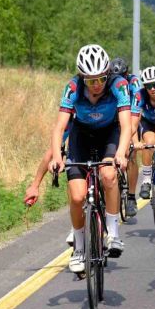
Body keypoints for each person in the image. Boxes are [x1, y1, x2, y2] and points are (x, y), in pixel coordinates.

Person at [48, 44, 131, 273]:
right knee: (77, 196)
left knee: (108, 173)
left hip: (109, 134)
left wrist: (121, 153)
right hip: (81, 136)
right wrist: (57, 156)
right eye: (90, 80)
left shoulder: (119, 85)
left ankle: (113, 233)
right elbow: (59, 128)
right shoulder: (72, 87)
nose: (97, 85)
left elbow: (125, 125)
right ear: (82, 77)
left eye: (101, 79)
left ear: (108, 74)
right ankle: (79, 248)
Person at [111, 57, 142, 216]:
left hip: (132, 115)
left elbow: (135, 112)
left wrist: (133, 139)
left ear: (127, 73)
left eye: (122, 76)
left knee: (131, 153)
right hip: (115, 118)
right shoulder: (109, 83)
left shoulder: (134, 82)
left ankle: (131, 196)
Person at [132, 66, 155, 199]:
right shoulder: (139, 95)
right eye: (148, 86)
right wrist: (136, 142)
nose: (152, 89)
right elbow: (133, 122)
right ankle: (146, 179)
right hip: (148, 123)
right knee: (149, 142)